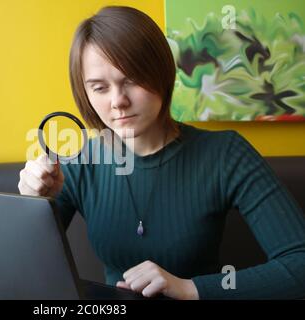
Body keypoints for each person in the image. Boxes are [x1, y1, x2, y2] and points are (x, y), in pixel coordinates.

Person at [18, 6, 305, 299]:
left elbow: (300, 265)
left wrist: (188, 288)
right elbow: (18, 271)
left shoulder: (225, 154)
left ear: (161, 74)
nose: (118, 101)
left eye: (131, 80)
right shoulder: (79, 163)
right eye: (100, 88)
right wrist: (33, 207)